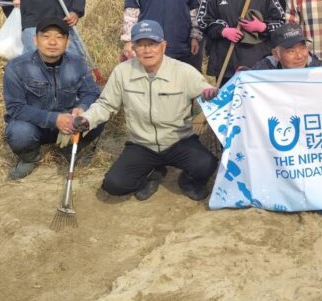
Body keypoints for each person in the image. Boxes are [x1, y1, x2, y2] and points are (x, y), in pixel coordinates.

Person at [75, 20, 219, 201]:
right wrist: (87, 119)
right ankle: (152, 174)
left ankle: (187, 181)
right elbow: (106, 105)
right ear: (133, 48)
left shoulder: (183, 71)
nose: (147, 50)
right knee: (114, 185)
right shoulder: (122, 72)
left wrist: (210, 94)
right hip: (142, 144)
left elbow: (207, 92)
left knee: (206, 164)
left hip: (178, 141)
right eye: (141, 45)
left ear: (163, 46)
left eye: (152, 44)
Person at [3, 17, 103, 179]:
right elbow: (15, 107)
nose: (52, 42)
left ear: (67, 42)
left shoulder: (77, 63)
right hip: (34, 124)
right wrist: (54, 119)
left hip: (69, 122)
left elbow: (91, 92)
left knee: (98, 114)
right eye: (46, 36)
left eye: (59, 37)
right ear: (35, 40)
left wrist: (82, 108)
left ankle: (70, 149)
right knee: (19, 132)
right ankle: (29, 157)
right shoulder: (17, 67)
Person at [251, 23, 322, 70]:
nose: (299, 56)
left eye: (303, 48)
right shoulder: (263, 69)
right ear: (276, 54)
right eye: (291, 51)